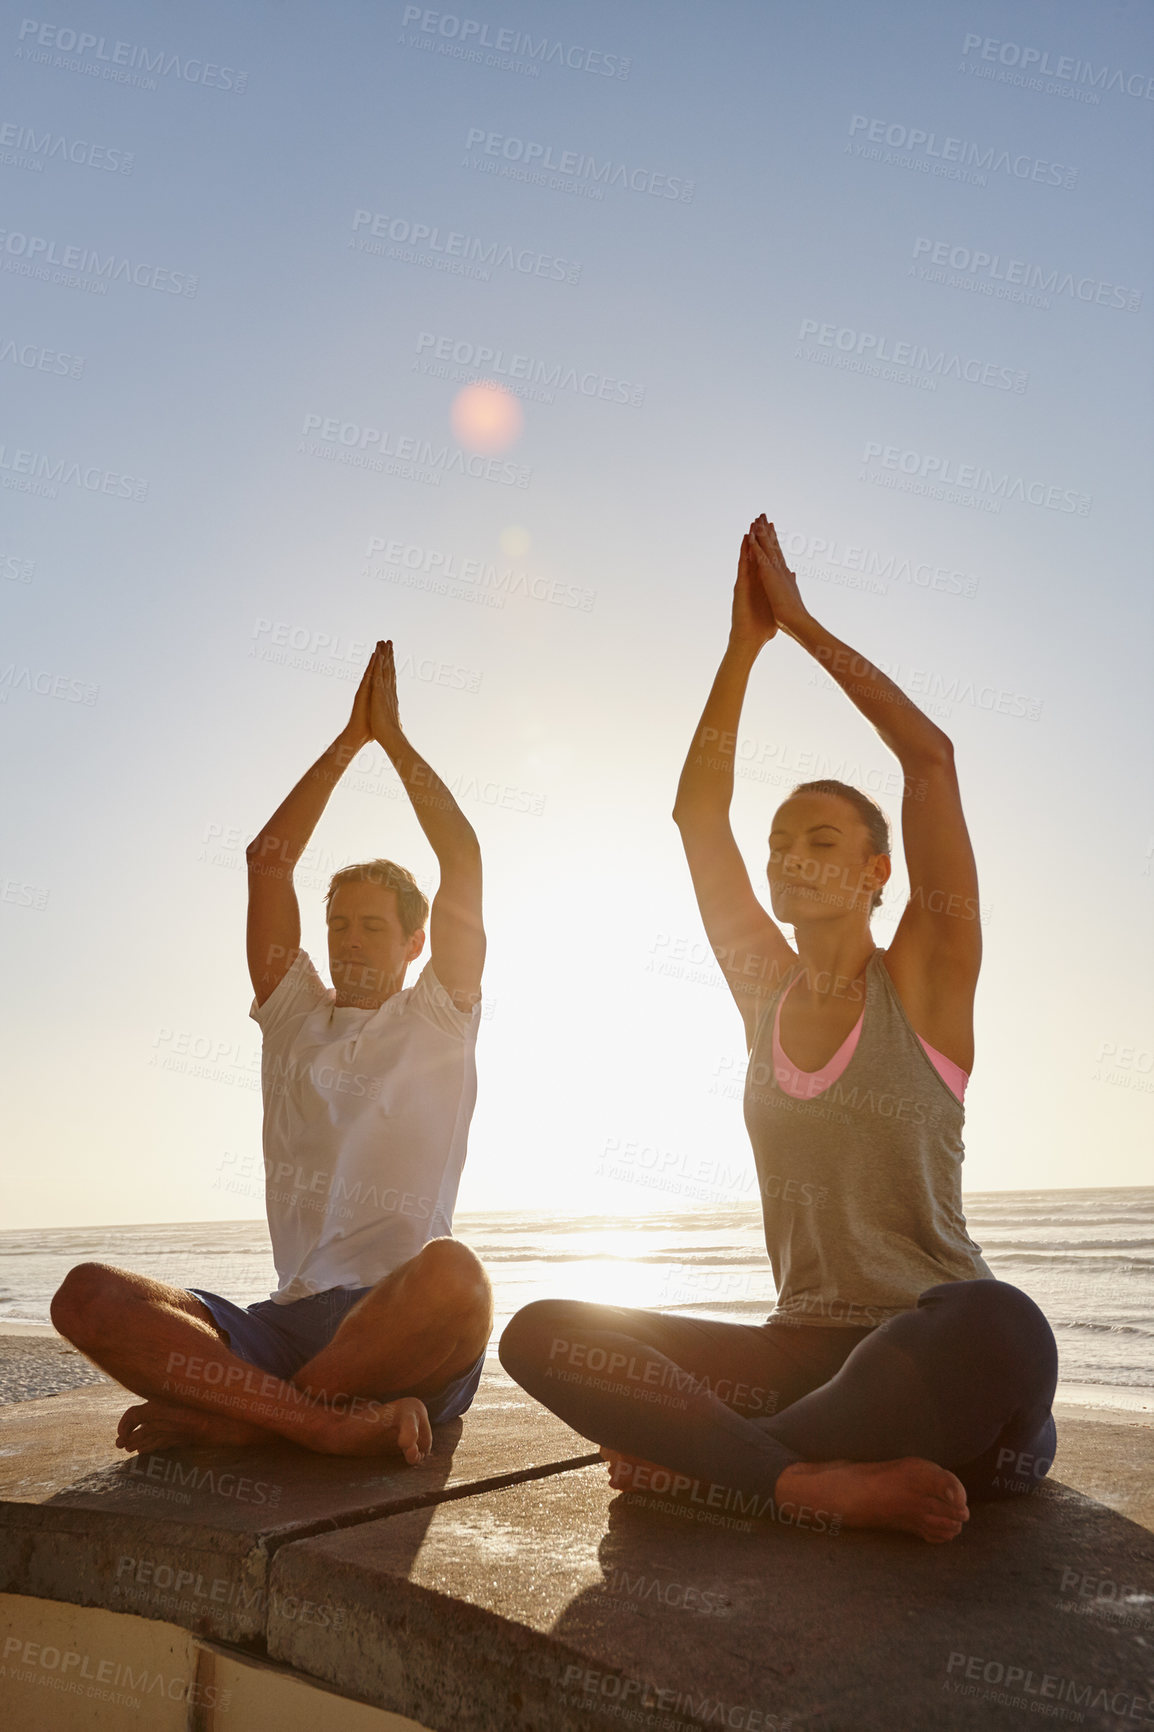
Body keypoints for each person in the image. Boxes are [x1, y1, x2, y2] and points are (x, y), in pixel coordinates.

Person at [500, 516, 1057, 1541]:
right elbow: (694, 816)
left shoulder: (926, 986)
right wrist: (738, 649)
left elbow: (928, 761)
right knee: (543, 1334)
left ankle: (723, 1468)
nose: (790, 856)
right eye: (779, 844)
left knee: (1005, 1323)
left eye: (821, 839)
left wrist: (797, 623)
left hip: (933, 1353)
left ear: (871, 872)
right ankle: (803, 1481)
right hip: (798, 1350)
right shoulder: (762, 988)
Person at [52, 640, 492, 1462]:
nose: (350, 940)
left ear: (413, 941)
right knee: (86, 1298)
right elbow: (268, 861)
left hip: (396, 1324)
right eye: (338, 925)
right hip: (285, 1325)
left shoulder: (439, 1015)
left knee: (458, 1279)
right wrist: (345, 743)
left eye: (371, 925)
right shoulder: (295, 1017)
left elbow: (461, 858)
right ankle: (315, 1422)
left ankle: (251, 1417)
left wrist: (392, 741)